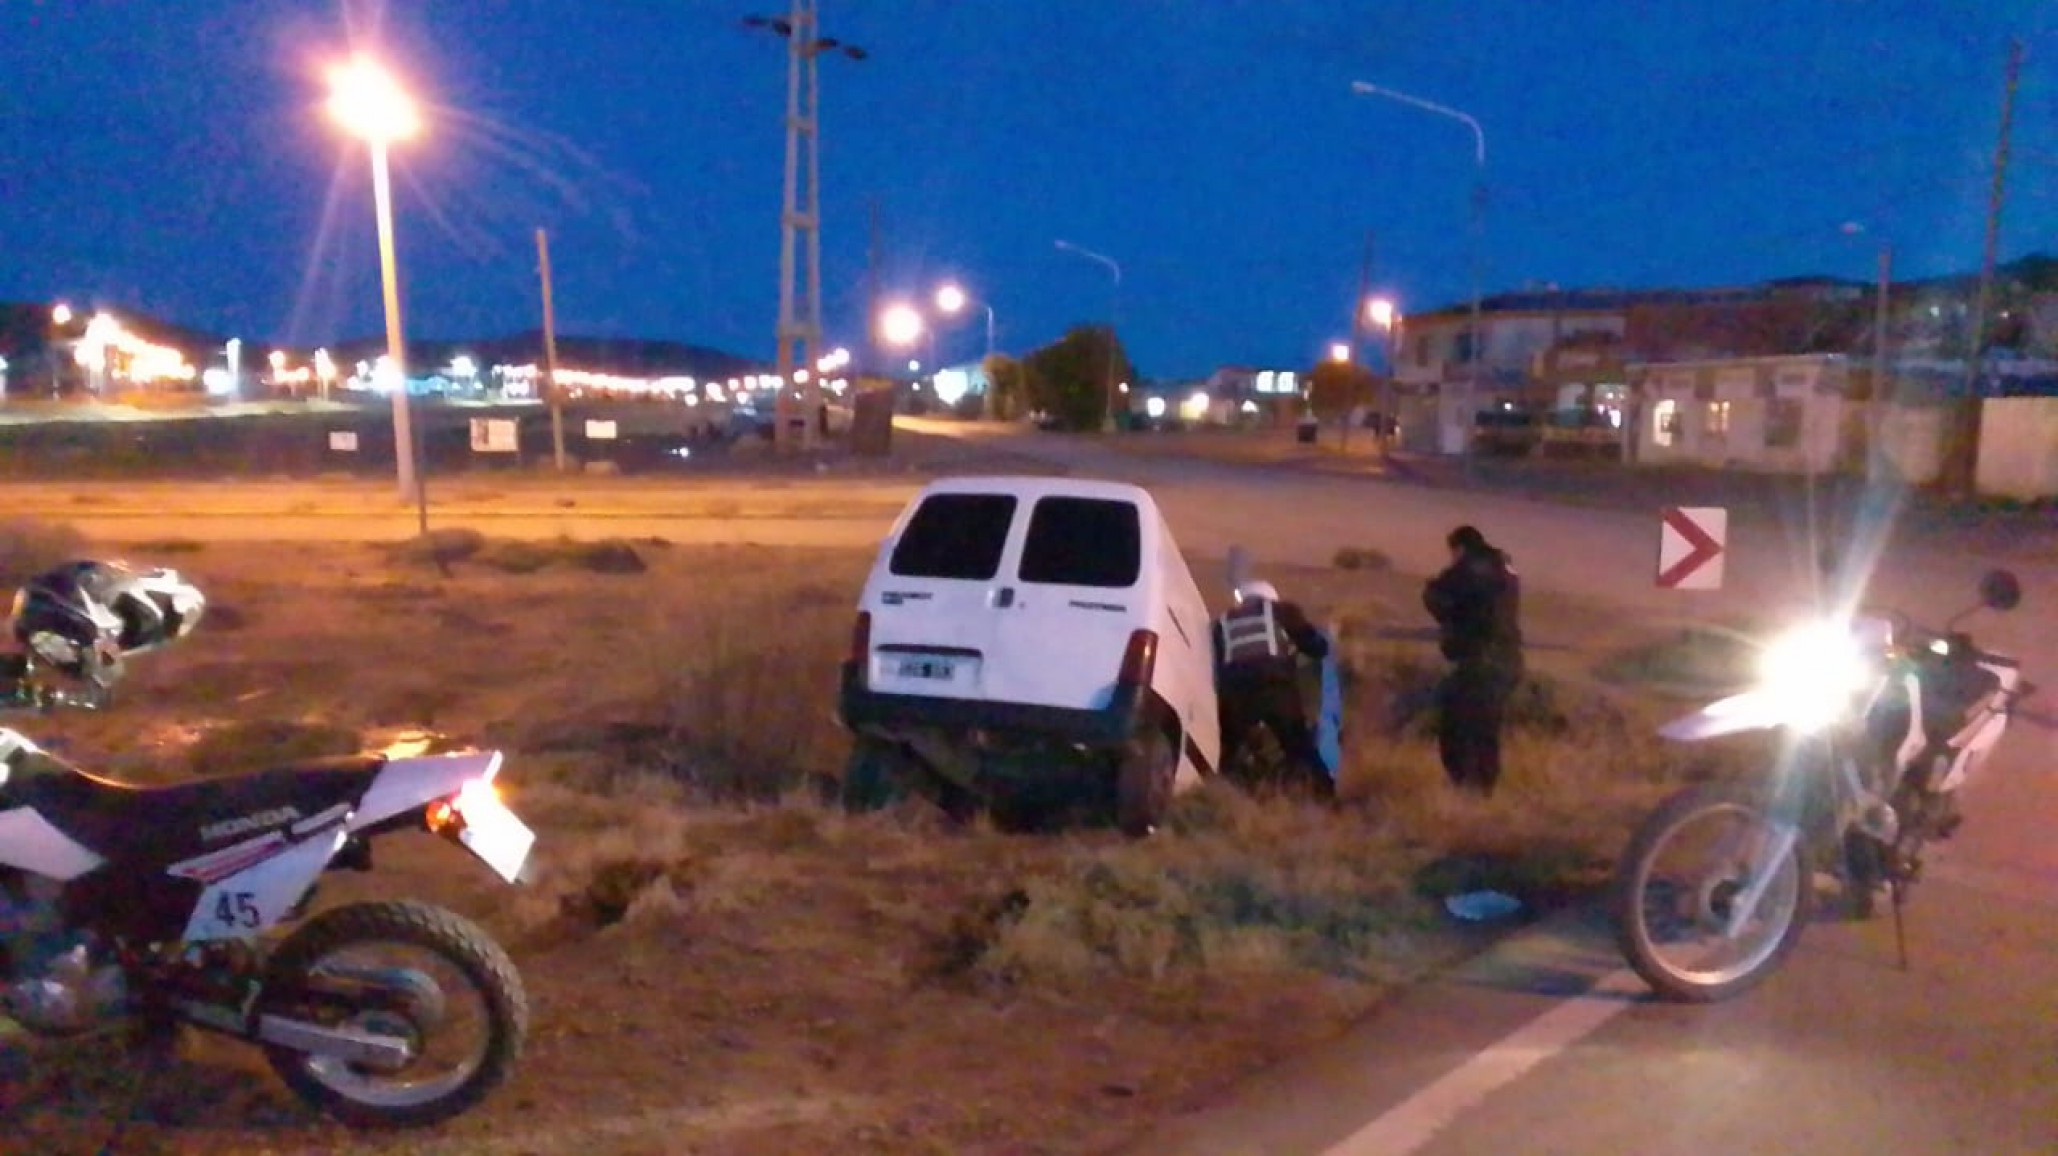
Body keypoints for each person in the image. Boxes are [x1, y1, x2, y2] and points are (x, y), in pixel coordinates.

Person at [1422, 525, 1524, 795]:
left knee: (1456, 728)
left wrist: (1448, 615)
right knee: (1485, 730)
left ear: (1460, 548)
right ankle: (1483, 789)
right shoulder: (1505, 568)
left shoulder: (1470, 569)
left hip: (1478, 663)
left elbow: (1437, 595)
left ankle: (1467, 787)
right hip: (1508, 661)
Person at [1214, 578, 1334, 797]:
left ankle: (1217, 795)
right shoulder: (1283, 611)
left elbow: (1217, 662)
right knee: (1299, 746)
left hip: (1236, 694)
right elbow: (1314, 646)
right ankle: (1326, 798)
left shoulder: (1222, 622)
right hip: (1276, 687)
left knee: (1228, 750)